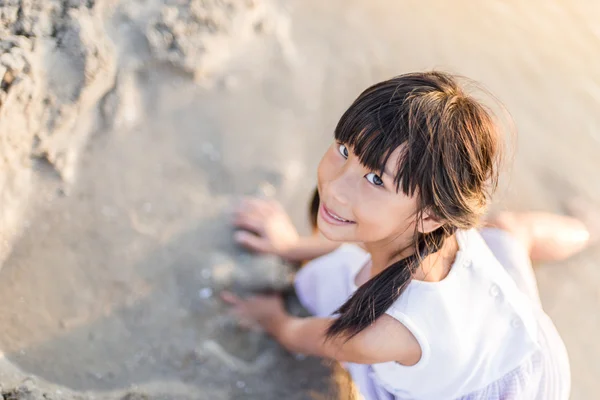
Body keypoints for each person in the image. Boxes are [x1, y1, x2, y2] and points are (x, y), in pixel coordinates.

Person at [223, 71, 589, 399]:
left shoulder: (382, 333)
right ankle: (588, 229)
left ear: (431, 216)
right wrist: (291, 247)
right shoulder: (433, 222)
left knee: (508, 231)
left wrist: (269, 316)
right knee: (509, 230)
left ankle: (589, 229)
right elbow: (368, 237)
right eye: (344, 150)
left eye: (376, 179)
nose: (336, 187)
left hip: (528, 373)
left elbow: (298, 334)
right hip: (500, 333)